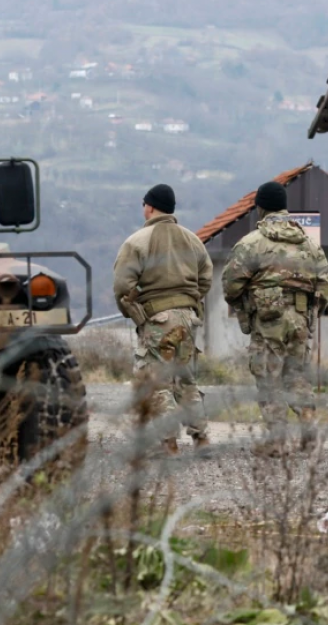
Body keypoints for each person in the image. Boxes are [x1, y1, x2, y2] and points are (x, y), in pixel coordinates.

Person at [221, 181, 328, 457]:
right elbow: (325, 284)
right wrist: (309, 313)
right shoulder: (309, 245)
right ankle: (309, 434)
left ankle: (278, 442)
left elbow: (230, 285)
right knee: (295, 376)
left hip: (269, 320)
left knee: (269, 379)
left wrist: (246, 303)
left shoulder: (252, 244)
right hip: (300, 320)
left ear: (260, 208)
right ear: (284, 208)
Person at [113, 183, 213, 455]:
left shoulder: (137, 242)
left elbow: (123, 285)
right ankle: (201, 438)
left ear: (150, 207)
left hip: (158, 319)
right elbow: (205, 278)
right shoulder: (193, 240)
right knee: (185, 379)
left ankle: (168, 442)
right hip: (188, 318)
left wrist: (136, 314)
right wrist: (189, 303)